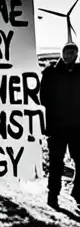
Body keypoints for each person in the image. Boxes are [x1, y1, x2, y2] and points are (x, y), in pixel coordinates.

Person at [40, 41, 80, 207]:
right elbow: (43, 98)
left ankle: (78, 193)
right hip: (56, 126)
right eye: (66, 52)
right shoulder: (51, 72)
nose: (68, 56)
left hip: (77, 127)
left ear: (76, 55)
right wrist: (46, 122)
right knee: (56, 162)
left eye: (72, 53)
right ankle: (53, 195)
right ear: (62, 53)